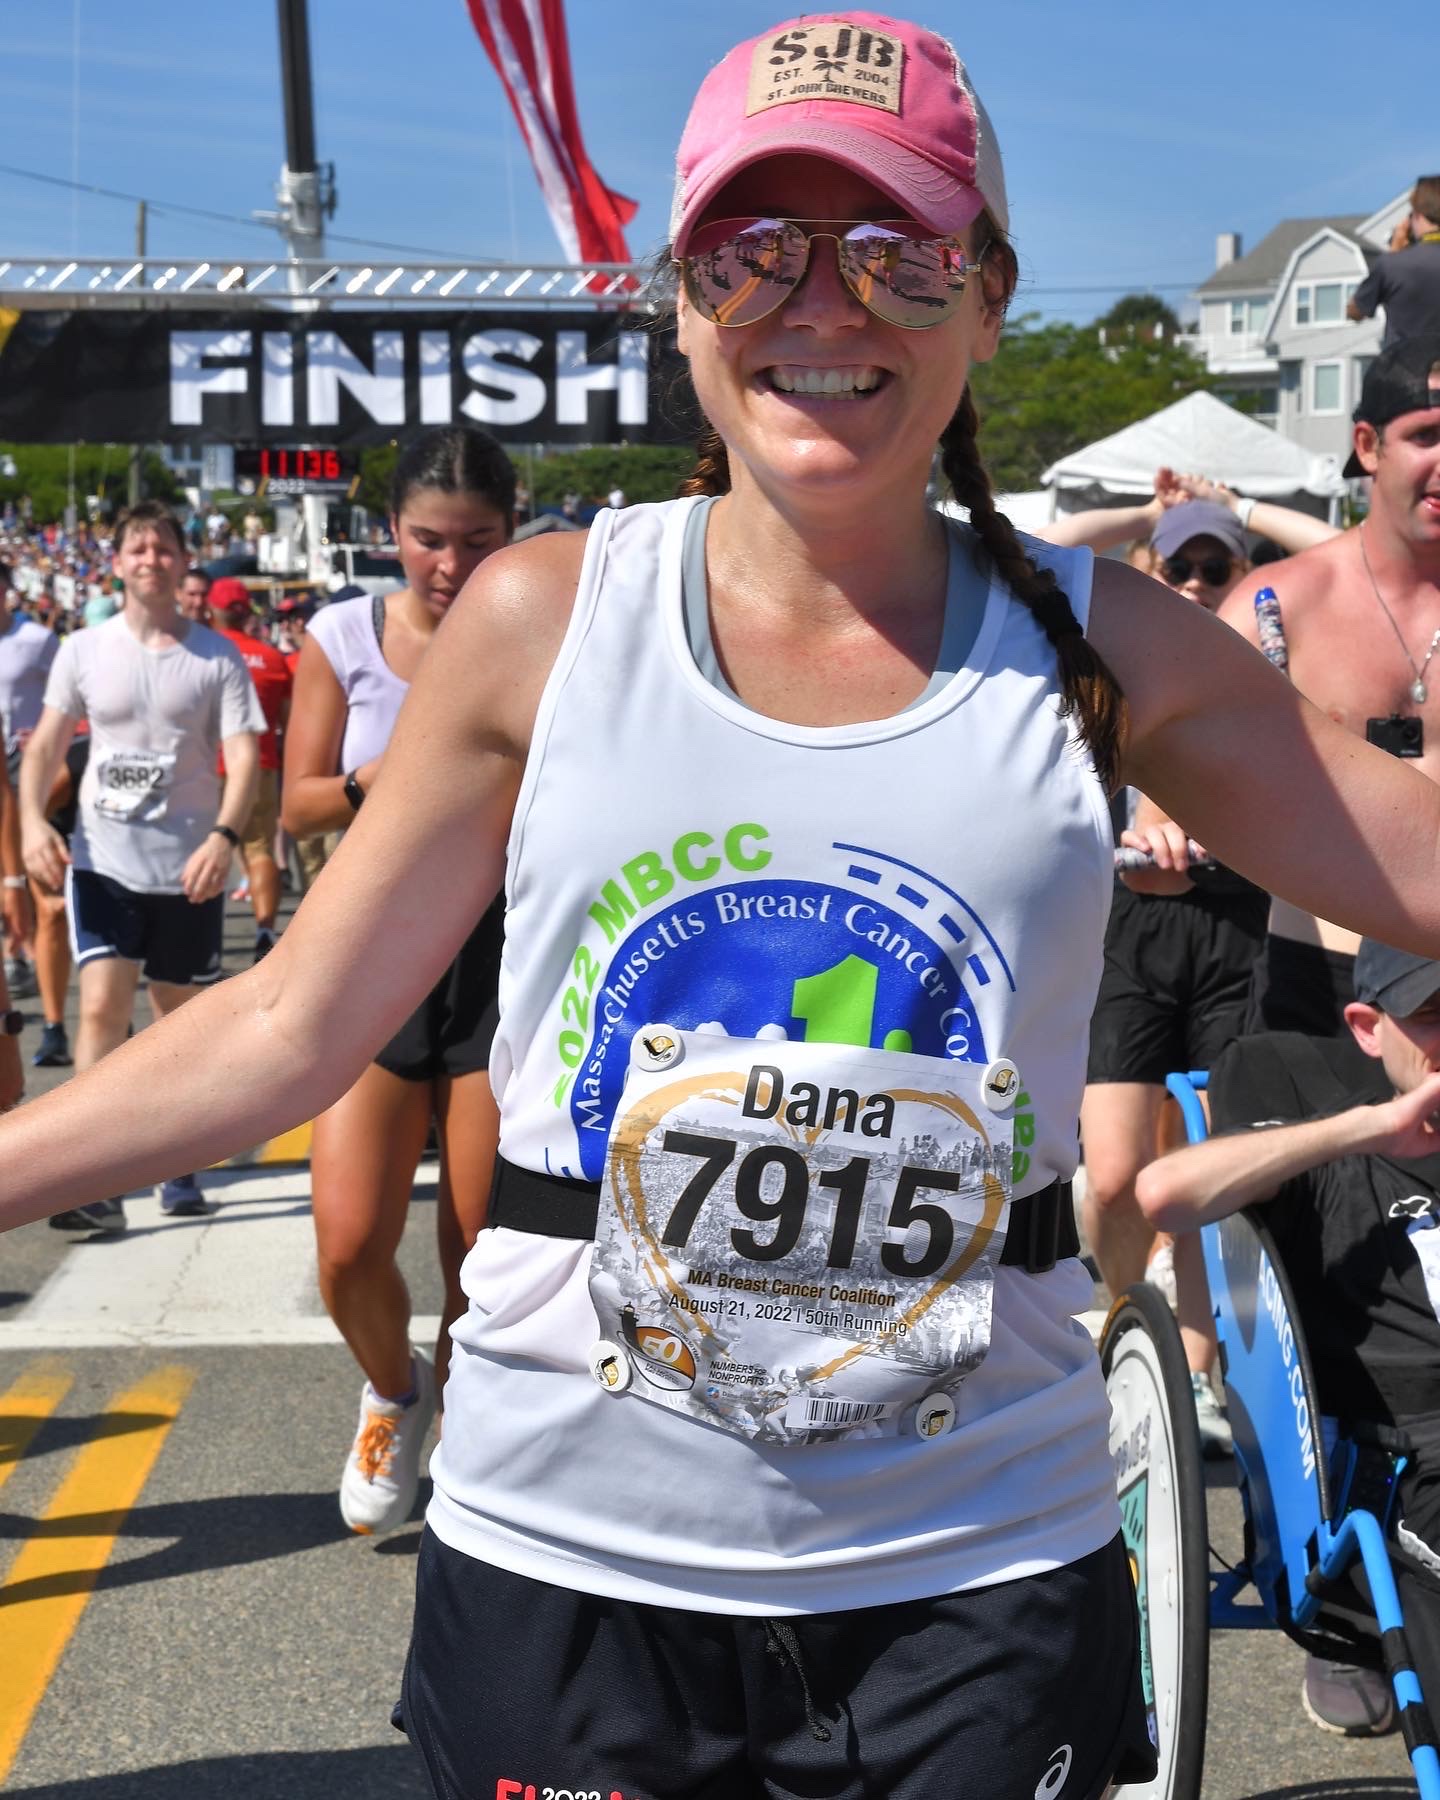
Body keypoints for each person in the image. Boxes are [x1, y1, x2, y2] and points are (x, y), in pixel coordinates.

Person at [9, 14, 1440, 1794]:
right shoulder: (545, 620)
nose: (822, 302)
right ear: (681, 301)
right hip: (571, 1560)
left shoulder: (1108, 646)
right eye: (754, 250)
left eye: (898, 253)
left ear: (988, 298)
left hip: (974, 1566)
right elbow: (298, 1020)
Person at [281, 425, 510, 1537]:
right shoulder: (344, 634)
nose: (452, 566)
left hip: (499, 959)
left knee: (481, 1245)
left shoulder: (537, 634)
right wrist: (395, 772)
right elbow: (300, 805)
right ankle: (395, 1389)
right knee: (347, 1245)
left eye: (477, 541)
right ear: (392, 535)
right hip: (374, 956)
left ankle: (469, 1430)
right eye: (429, 541)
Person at [1137, 937, 1440, 1739]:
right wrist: (1372, 1127)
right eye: (1436, 1016)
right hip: (1406, 1460)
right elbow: (1167, 1192)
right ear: (1370, 1027)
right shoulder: (1311, 1091)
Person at [18, 499, 263, 1230]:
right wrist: (32, 819)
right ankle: (94, 1182)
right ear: (117, 563)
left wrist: (224, 836)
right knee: (100, 1008)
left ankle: (176, 1166)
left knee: (175, 1027)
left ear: (185, 562)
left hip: (188, 866)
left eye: (163, 548)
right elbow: (45, 747)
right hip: (102, 859)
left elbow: (244, 755)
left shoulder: (215, 656)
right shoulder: (84, 649)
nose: (150, 558)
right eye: (137, 548)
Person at [1081, 500, 1267, 1454]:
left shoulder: (1268, 654)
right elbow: (1032, 546)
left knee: (1202, 1176)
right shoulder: (1106, 650)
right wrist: (1146, 512)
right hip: (1134, 932)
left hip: (1238, 936)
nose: (1196, 584)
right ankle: (1122, 1333)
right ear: (1148, 565)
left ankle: (1193, 1373)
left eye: (1217, 566)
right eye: (1179, 564)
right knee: (1114, 1177)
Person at [1222, 334, 1440, 1038]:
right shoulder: (1279, 605)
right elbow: (1165, 793)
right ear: (1368, 446)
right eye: (1427, 435)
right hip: (1318, 984)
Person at [210, 578, 293, 960]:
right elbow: (288, 722)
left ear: (213, 611)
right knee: (260, 850)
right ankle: (264, 928)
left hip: (209, 764)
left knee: (204, 846)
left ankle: (203, 934)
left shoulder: (203, 654)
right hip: (260, 764)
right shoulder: (272, 658)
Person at [0, 567, 58, 1006]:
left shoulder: (36, 640)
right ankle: (16, 950)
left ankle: (32, 951)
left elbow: (65, 698)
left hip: (26, 761)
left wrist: (40, 735)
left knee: (24, 859)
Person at [1348, 177, 1440, 349]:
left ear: (1417, 215)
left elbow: (1355, 311)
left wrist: (1395, 249)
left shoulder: (1391, 266)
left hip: (1404, 370)